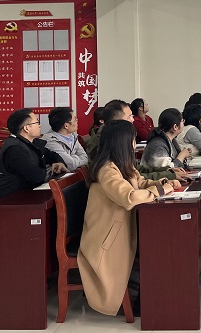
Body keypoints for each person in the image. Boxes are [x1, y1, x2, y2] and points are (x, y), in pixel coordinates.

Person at [77, 120, 176, 317]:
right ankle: (141, 303)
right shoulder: (107, 170)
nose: (135, 143)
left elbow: (141, 182)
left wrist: (162, 183)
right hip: (106, 236)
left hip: (121, 228)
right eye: (133, 139)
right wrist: (159, 191)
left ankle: (150, 298)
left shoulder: (122, 165)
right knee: (156, 247)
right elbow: (129, 198)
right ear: (123, 142)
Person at [0, 108, 69, 199]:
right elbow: (36, 176)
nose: (39, 125)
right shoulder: (15, 149)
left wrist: (58, 162)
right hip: (13, 199)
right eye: (37, 122)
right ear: (26, 128)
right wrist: (51, 170)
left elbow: (51, 155)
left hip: (30, 193)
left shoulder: (32, 142)